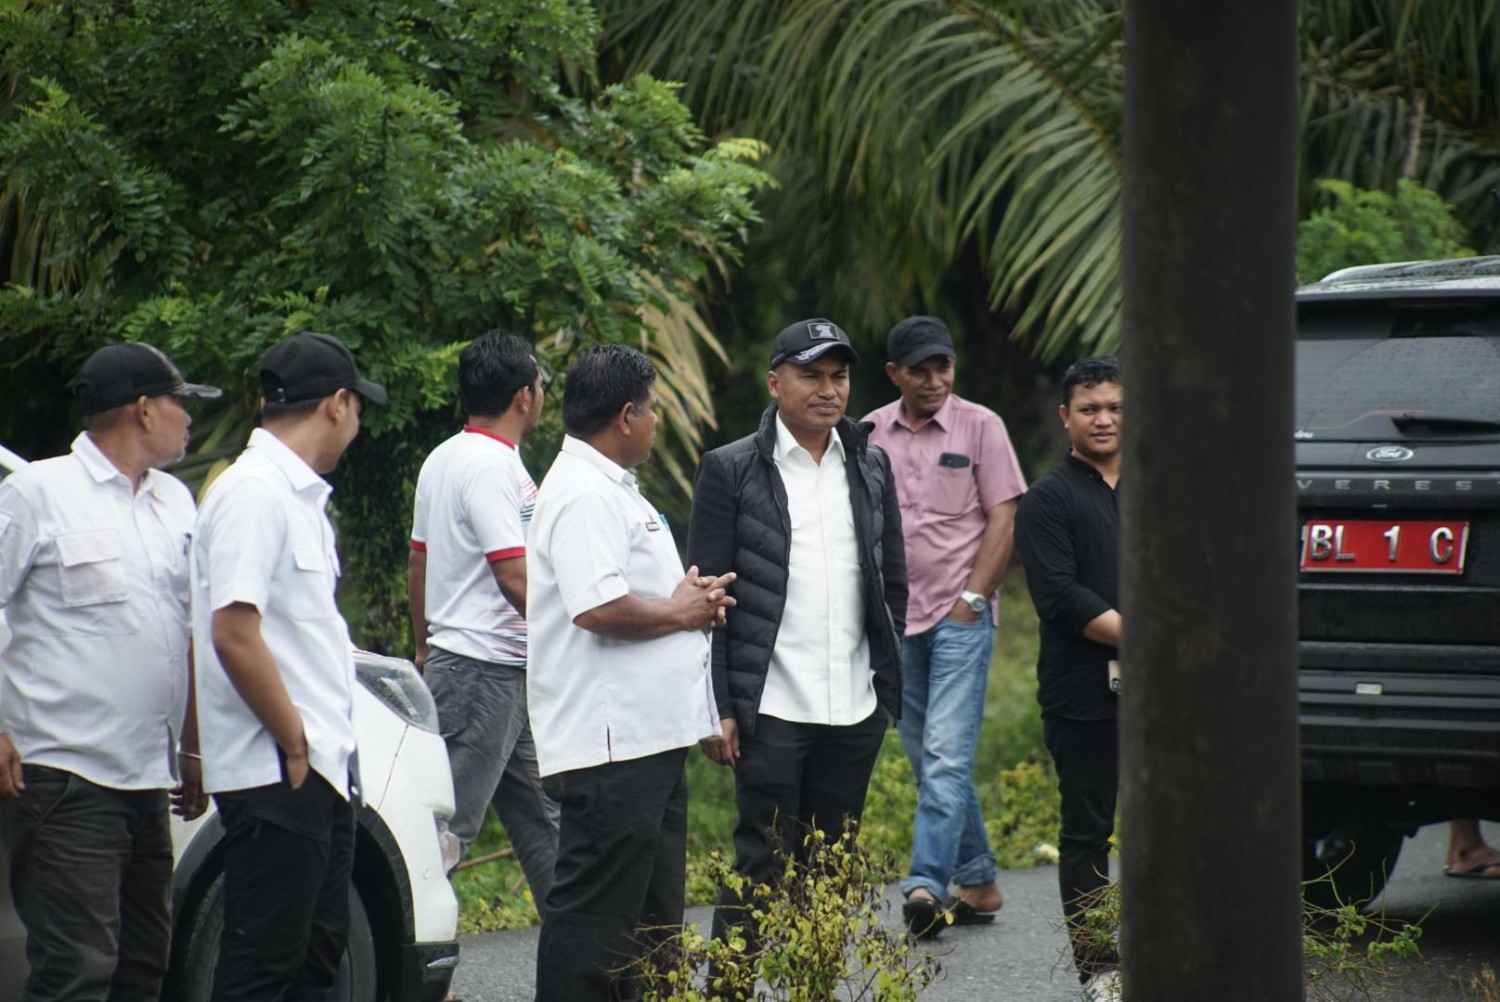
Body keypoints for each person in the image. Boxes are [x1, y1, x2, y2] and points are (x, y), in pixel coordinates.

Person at [0, 343, 217, 1002]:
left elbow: (186, 630)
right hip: (65, 776)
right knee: (78, 971)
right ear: (144, 409)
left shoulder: (175, 503)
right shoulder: (39, 492)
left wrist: (195, 744)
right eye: (182, 403)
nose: (189, 419)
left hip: (148, 779)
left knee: (143, 966)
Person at [687, 318, 907, 951]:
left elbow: (891, 580)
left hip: (854, 705)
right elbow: (708, 602)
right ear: (775, 382)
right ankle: (730, 996)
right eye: (811, 375)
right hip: (772, 706)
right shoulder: (730, 469)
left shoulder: (871, 464)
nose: (828, 390)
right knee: (760, 866)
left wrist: (886, 686)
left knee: (832, 872)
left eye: (839, 376)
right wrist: (719, 706)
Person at [527, 344, 733, 1002]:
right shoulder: (585, 493)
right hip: (612, 749)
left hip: (650, 741)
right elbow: (597, 605)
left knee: (650, 931)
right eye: (653, 410)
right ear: (625, 415)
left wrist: (689, 603)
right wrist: (680, 611)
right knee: (593, 929)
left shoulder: (613, 487)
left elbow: (638, 596)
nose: (656, 423)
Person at [191, 332, 386, 1002]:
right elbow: (233, 632)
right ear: (336, 404)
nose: (357, 425)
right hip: (278, 767)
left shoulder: (300, 500)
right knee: (262, 965)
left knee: (314, 958)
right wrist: (294, 738)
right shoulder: (253, 493)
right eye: (358, 408)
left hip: (319, 768)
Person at [863, 316, 1027, 938]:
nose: (934, 380)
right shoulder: (869, 432)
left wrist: (972, 599)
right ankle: (979, 882)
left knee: (944, 755)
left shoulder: (981, 426)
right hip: (895, 622)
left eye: (943, 367)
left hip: (961, 618)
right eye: (920, 370)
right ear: (895, 374)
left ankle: (926, 881)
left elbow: (1004, 517)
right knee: (928, 757)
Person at [408, 332, 559, 910]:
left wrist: (425, 647)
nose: (542, 393)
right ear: (524, 396)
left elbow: (417, 562)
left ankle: (584, 972)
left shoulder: (444, 458)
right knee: (444, 836)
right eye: (541, 384)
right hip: (481, 672)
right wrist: (577, 635)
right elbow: (515, 578)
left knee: (547, 824)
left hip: (497, 668)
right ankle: (413, 977)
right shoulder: (489, 467)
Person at [1015, 356, 1123, 1002]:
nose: (1104, 418)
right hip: (1082, 693)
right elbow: (1058, 596)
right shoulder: (1047, 499)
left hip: (1167, 697)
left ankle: (1179, 952)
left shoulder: (1160, 487)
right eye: (1090, 409)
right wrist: (1152, 639)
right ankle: (1101, 968)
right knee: (1087, 832)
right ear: (1066, 418)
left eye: (1113, 406)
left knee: (1175, 824)